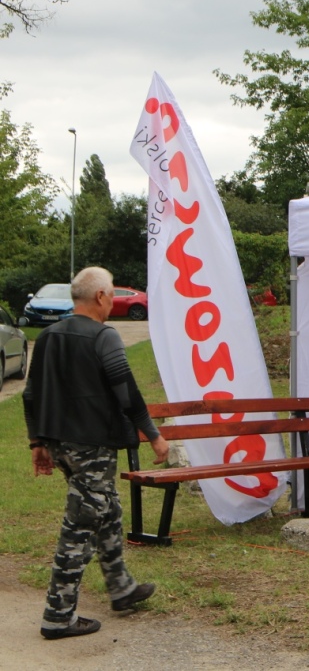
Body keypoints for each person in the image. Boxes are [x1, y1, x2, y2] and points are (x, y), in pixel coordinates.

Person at [24, 266, 170, 640]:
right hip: (92, 445)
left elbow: (30, 394)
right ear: (101, 296)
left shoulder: (48, 336)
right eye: (112, 295)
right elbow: (126, 391)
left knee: (108, 510)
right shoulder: (104, 336)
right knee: (79, 526)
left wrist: (37, 443)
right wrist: (154, 435)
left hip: (60, 444)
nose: (112, 302)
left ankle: (121, 588)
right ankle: (58, 617)